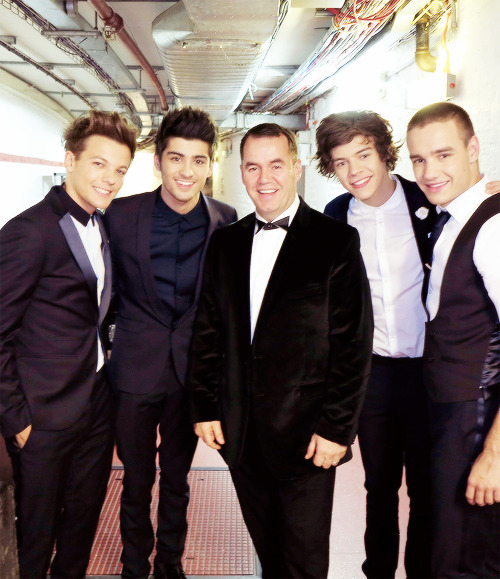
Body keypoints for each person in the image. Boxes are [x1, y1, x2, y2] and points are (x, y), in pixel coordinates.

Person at [187, 122, 373, 578]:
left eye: (275, 165)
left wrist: (336, 429)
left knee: (304, 562)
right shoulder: (225, 242)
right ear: (241, 172)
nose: (264, 178)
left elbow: (353, 344)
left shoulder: (335, 240)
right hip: (241, 432)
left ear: (296, 167)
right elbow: (209, 330)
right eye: (253, 167)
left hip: (307, 437)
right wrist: (205, 406)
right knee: (269, 554)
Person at [0, 110, 137, 578]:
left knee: (82, 526)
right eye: (99, 164)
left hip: (95, 406)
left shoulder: (103, 225)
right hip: (41, 417)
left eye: (120, 169)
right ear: (70, 160)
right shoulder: (28, 231)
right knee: (36, 538)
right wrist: (17, 419)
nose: (110, 179)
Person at [104, 106, 237, 579]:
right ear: (159, 160)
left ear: (209, 165)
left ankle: (170, 565)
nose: (187, 171)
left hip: (191, 375)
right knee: (136, 480)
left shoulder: (226, 219)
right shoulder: (121, 215)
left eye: (198, 160)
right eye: (176, 158)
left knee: (178, 479)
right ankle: (133, 566)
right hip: (134, 371)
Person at [316, 110, 434, 579]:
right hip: (373, 373)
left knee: (427, 486)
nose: (355, 170)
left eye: (363, 155)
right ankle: (378, 572)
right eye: (341, 162)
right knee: (378, 485)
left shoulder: (427, 200)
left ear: (384, 153)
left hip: (428, 370)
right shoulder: (335, 217)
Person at [406, 101, 500, 578]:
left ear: (474, 149)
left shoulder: (493, 227)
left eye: (443, 155)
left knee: (467, 561)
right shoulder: (451, 216)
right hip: (448, 413)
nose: (429, 172)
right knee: (444, 549)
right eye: (419, 160)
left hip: (477, 419)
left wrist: (496, 454)